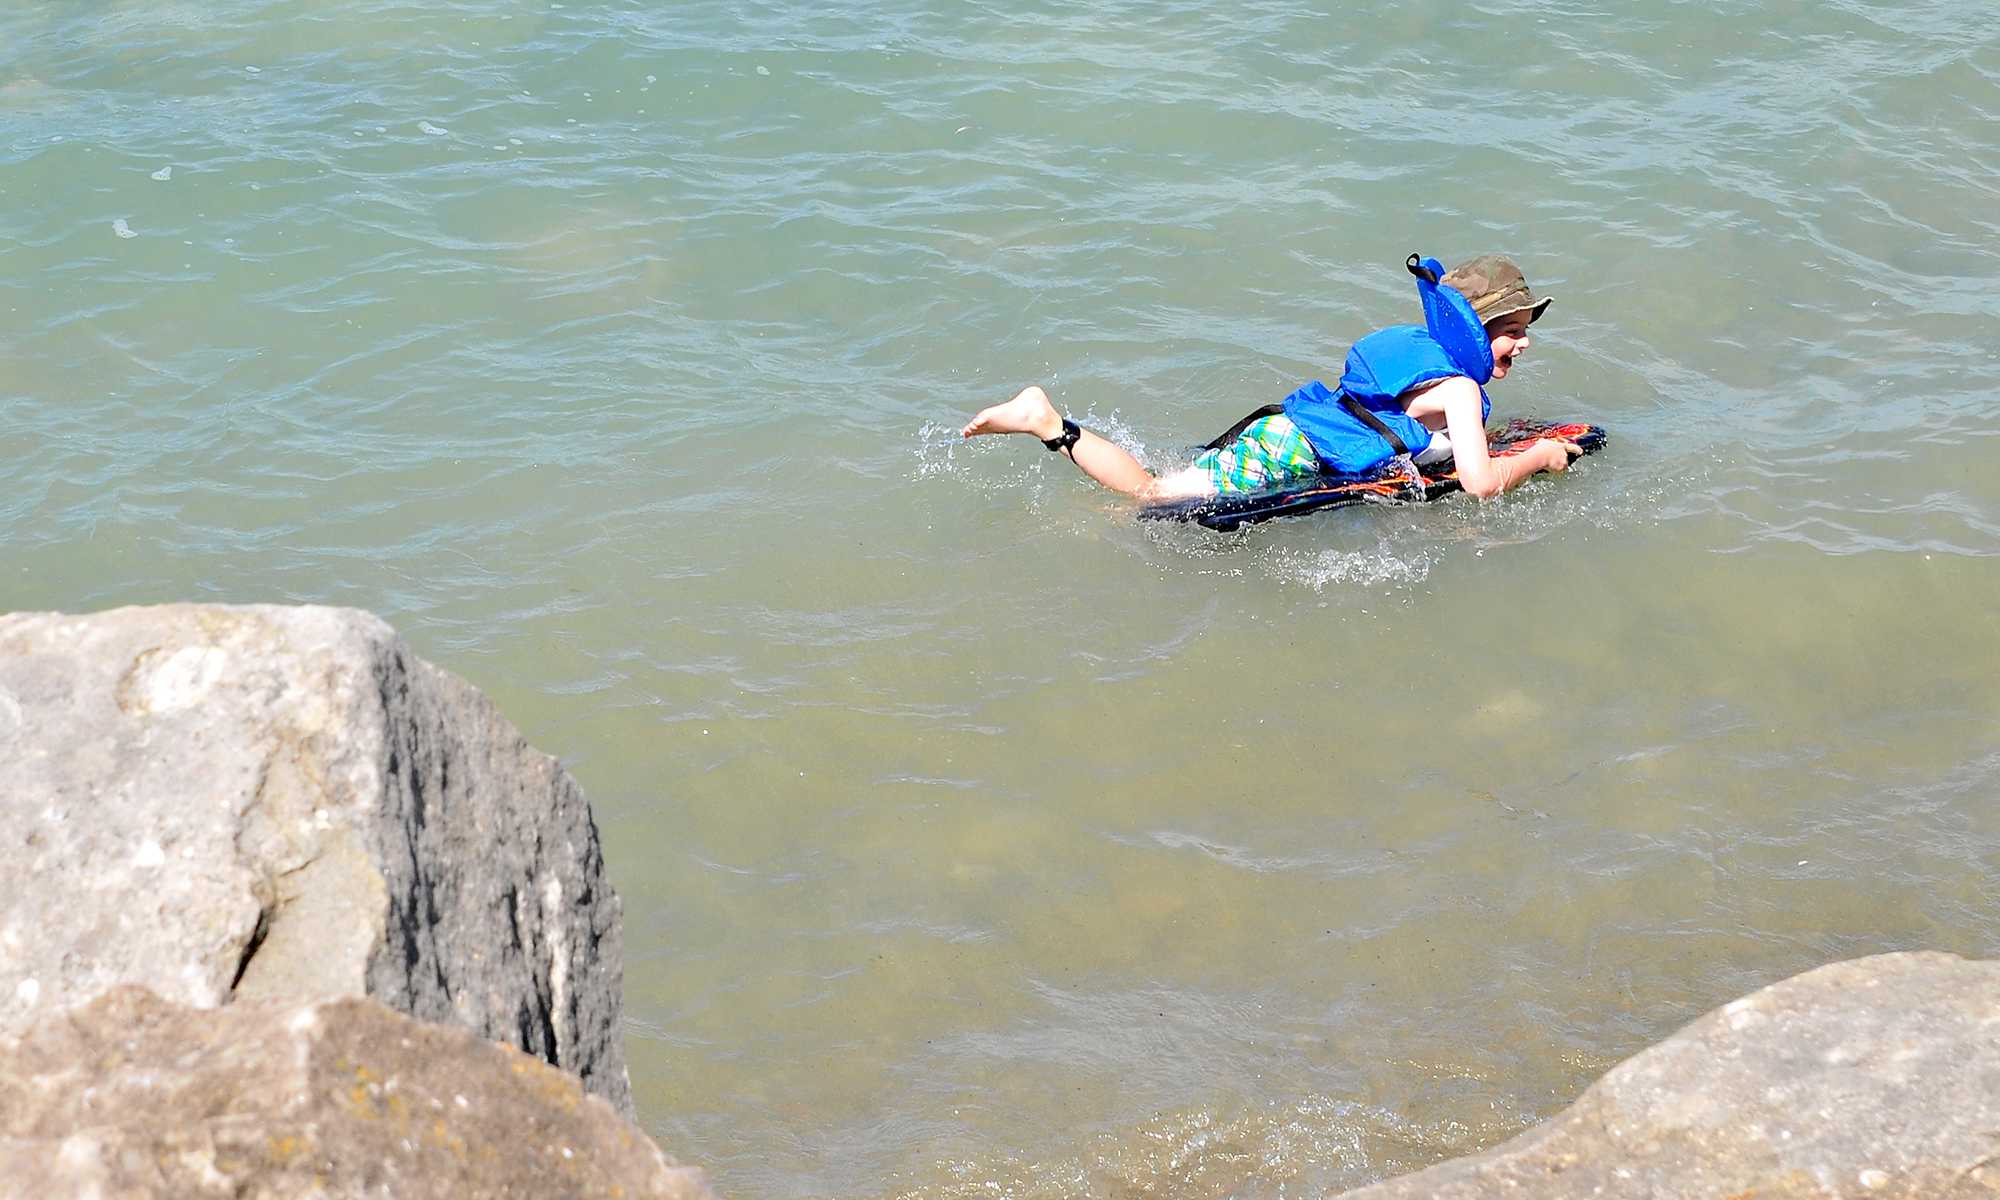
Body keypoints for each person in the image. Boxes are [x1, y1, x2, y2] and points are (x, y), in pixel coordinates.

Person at [961, 254, 1581, 502]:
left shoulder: (1423, 356)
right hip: (1293, 448)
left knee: (1173, 477)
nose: (1524, 340)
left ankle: (1050, 423)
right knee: (1149, 495)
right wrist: (1542, 457)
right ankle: (1046, 421)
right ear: (1477, 329)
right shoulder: (1464, 389)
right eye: (1511, 327)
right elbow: (1481, 484)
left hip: (1289, 428)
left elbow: (1410, 425)